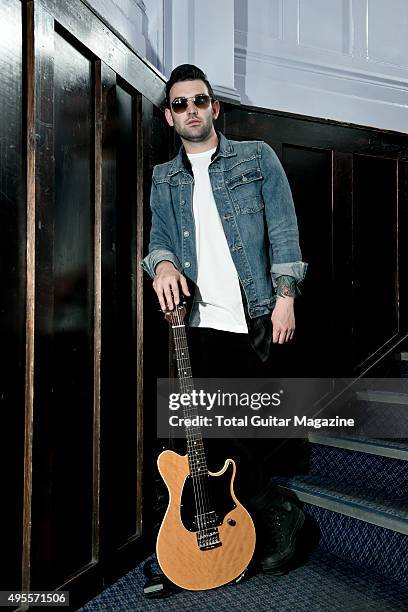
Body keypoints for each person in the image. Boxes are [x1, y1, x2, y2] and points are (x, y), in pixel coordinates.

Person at [142, 64, 308, 575]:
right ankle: (237, 528)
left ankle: (278, 514)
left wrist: (285, 296)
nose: (190, 110)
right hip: (197, 324)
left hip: (255, 313)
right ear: (169, 118)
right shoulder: (164, 178)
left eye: (199, 101)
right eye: (179, 104)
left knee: (247, 431)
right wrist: (163, 264)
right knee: (208, 435)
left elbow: (283, 229)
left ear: (215, 108)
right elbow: (160, 239)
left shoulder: (258, 159)